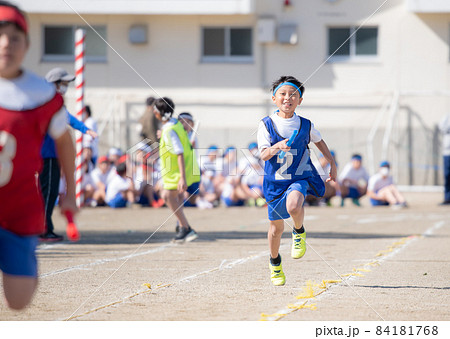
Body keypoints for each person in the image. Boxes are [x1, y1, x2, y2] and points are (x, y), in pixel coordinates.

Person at [0, 1, 77, 309]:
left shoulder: (43, 95)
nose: (7, 43)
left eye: (15, 37)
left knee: (19, 301)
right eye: (0, 35)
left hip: (19, 206)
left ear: (27, 45)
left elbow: (65, 142)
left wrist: (70, 192)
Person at [257, 75, 337, 286]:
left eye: (293, 94)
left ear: (300, 100)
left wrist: (331, 162)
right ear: (274, 98)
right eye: (282, 94)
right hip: (274, 183)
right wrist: (278, 146)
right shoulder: (266, 124)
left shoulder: (305, 125)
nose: (287, 98)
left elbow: (319, 141)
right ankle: (275, 262)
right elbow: (264, 155)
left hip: (299, 176)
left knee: (294, 205)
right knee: (275, 230)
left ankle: (299, 231)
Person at [39, 67, 97, 242]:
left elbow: (68, 118)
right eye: (63, 84)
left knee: (49, 191)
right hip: (46, 154)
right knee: (48, 192)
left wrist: (85, 129)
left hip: (52, 154)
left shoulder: (52, 101)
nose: (65, 87)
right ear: (54, 84)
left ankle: (44, 227)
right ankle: (43, 229)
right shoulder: (44, 101)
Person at [154, 97, 200, 242]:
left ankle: (185, 227)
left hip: (176, 172)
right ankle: (183, 226)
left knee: (168, 197)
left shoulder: (169, 129)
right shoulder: (174, 125)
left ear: (157, 114)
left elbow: (179, 152)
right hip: (178, 171)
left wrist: (182, 177)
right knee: (171, 197)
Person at [438, 113, 450, 205]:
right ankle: (447, 198)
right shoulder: (447, 117)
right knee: (447, 175)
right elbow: (442, 128)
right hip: (447, 153)